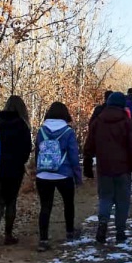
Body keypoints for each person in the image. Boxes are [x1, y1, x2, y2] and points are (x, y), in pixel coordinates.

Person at [83, 91, 132, 244]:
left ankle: (103, 223)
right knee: (123, 201)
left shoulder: (98, 121)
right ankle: (120, 232)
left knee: (105, 198)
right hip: (124, 169)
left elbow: (89, 144)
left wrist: (88, 162)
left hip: (104, 168)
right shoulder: (127, 122)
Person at [35, 101, 82, 251]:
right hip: (64, 174)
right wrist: (78, 176)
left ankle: (43, 240)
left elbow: (37, 152)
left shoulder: (41, 130)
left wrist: (38, 169)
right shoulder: (68, 132)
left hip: (43, 174)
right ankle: (69, 232)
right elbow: (74, 156)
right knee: (68, 203)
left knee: (45, 206)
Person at [0, 94, 32, 246]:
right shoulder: (22, 125)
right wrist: (21, 161)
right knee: (11, 201)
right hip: (15, 169)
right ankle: (8, 234)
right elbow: (27, 148)